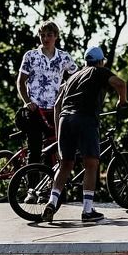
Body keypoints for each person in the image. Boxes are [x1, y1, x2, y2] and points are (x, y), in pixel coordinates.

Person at [41, 45, 128, 224]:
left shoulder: (73, 76)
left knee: (65, 164)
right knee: (91, 164)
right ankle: (87, 211)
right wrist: (122, 101)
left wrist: (59, 135)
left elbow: (57, 105)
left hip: (65, 119)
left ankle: (51, 203)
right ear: (101, 61)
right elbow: (121, 83)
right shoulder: (99, 71)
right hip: (85, 118)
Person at [16, 21, 78, 203]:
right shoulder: (31, 56)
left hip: (56, 109)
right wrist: (27, 102)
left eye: (49, 35)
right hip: (35, 109)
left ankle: (52, 190)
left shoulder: (64, 58)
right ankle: (31, 189)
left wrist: (67, 89)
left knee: (56, 150)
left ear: (56, 37)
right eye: (42, 35)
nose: (45, 38)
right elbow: (21, 81)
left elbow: (76, 77)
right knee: (35, 149)